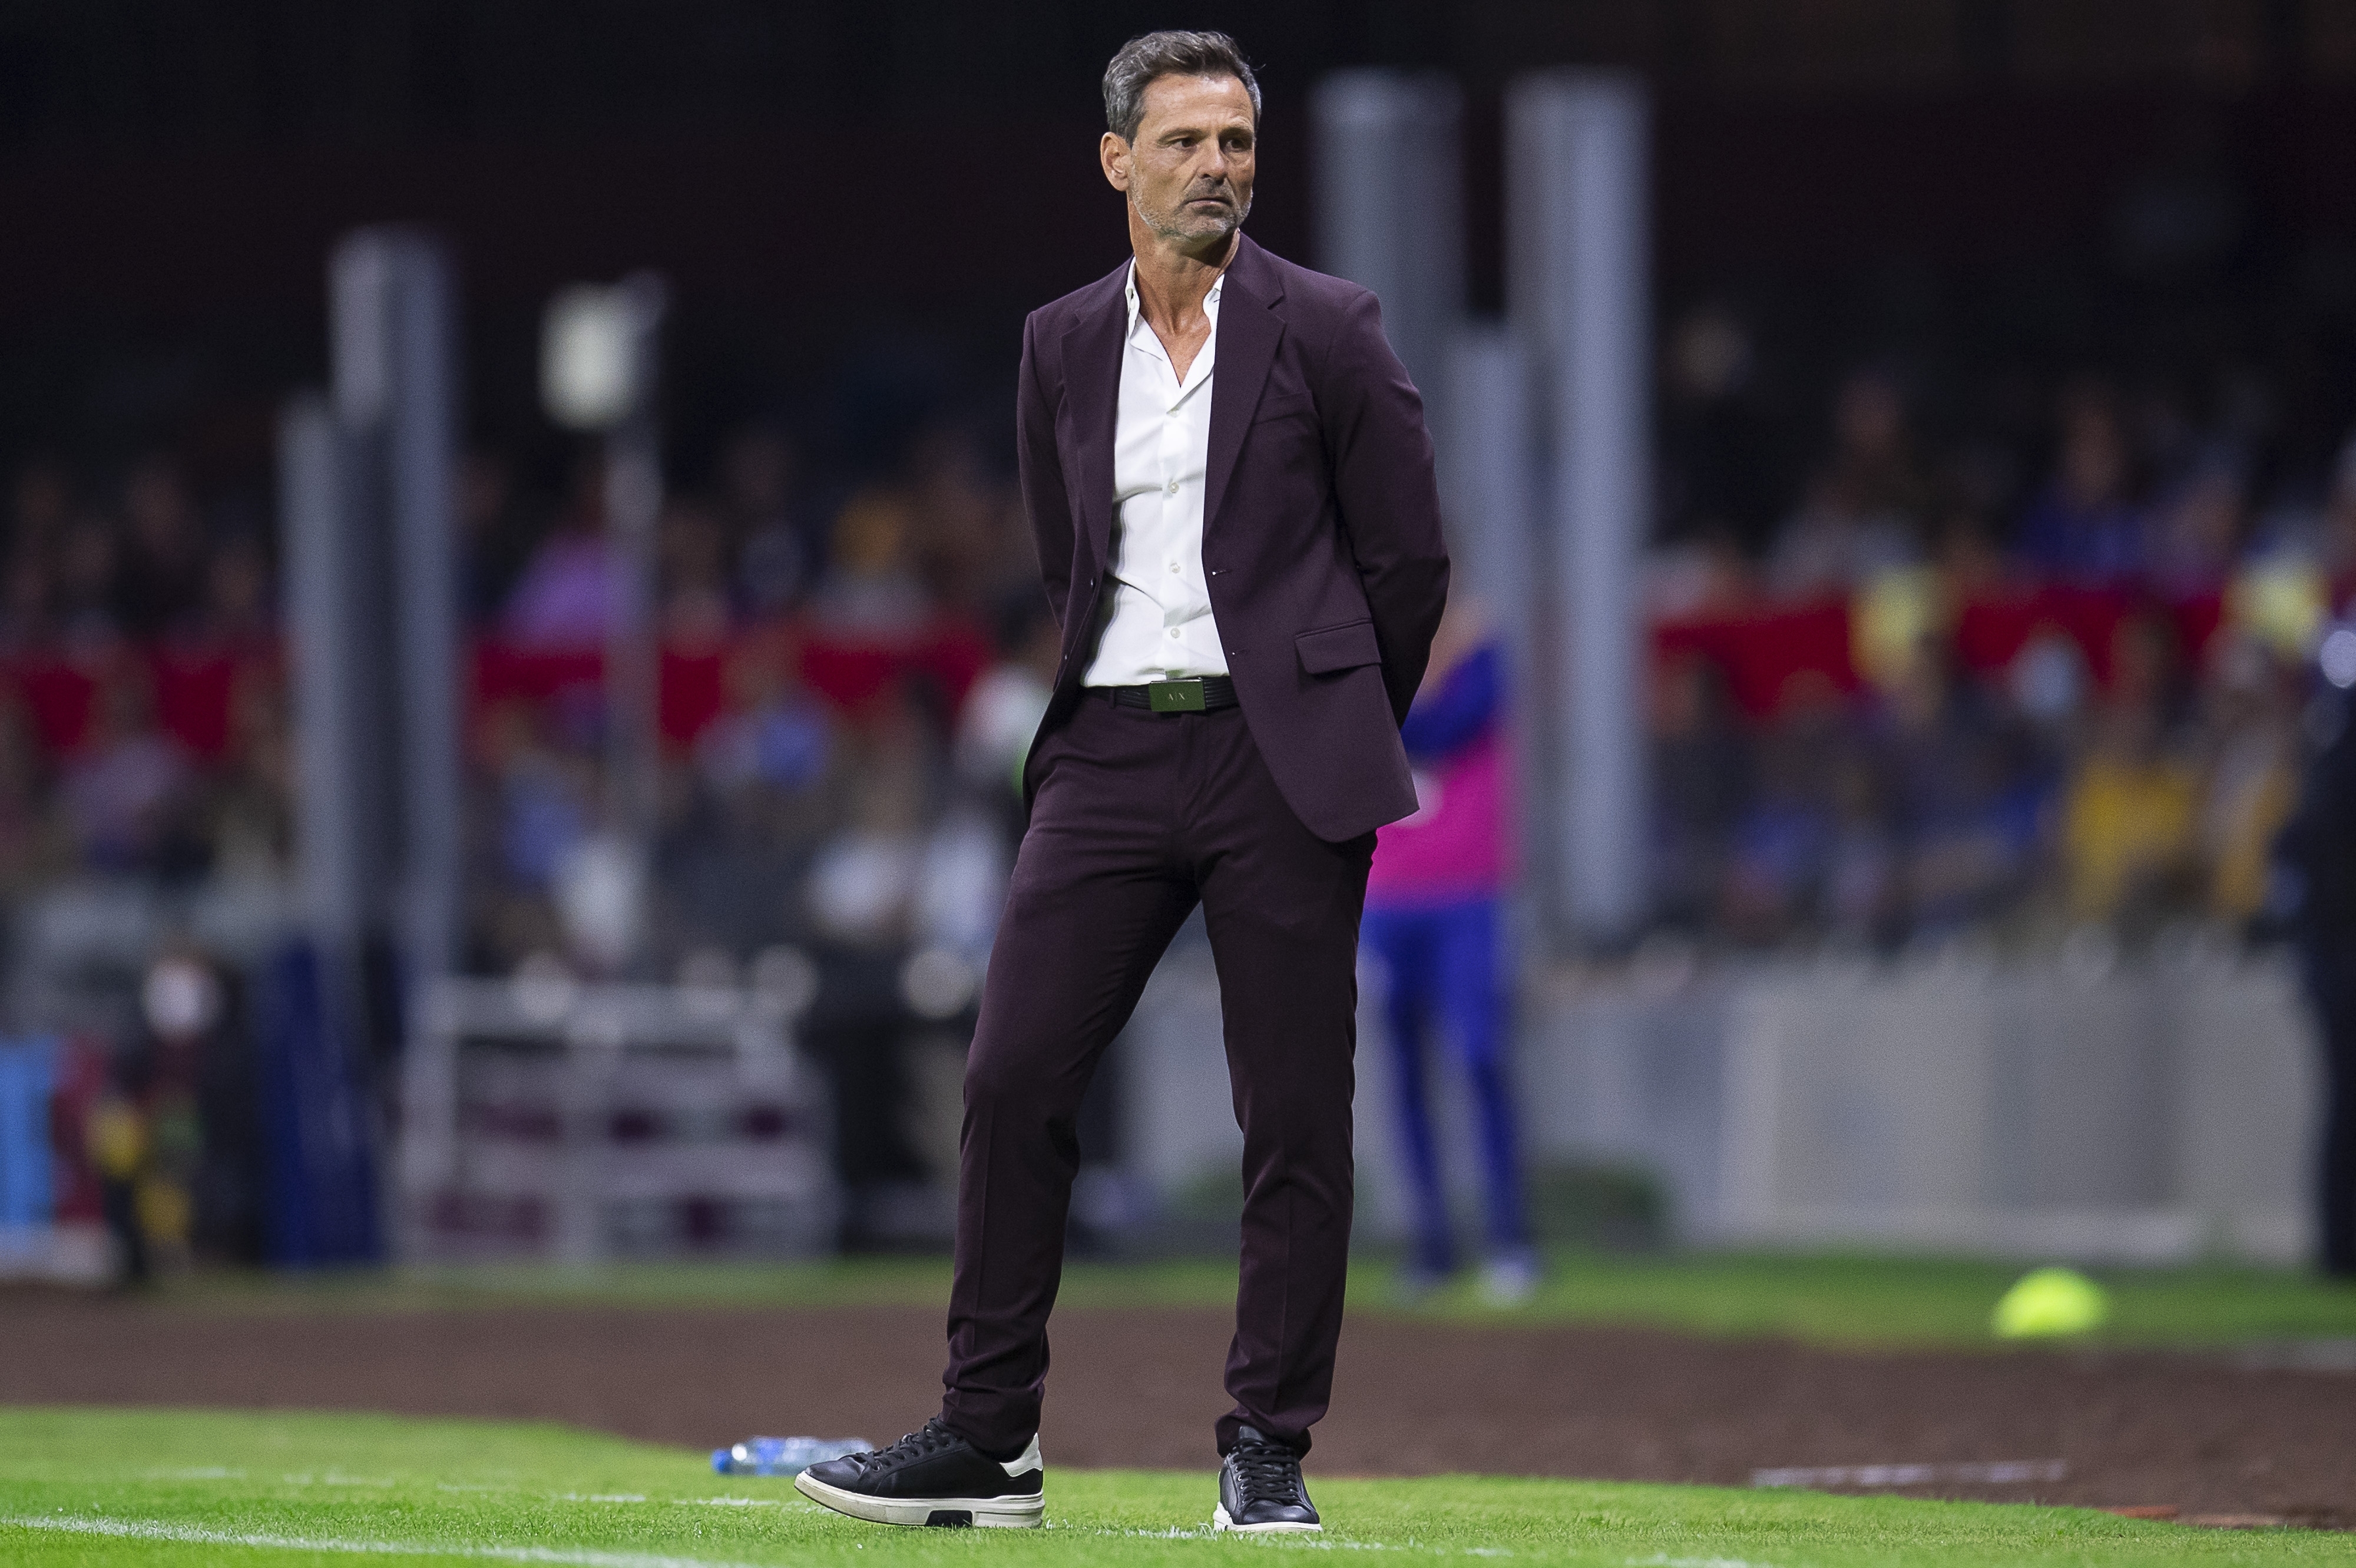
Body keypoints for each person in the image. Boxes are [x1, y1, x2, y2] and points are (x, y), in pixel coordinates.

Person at [794, 28, 1448, 1536]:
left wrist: (1330, 717)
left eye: (1236, 142)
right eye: (1184, 142)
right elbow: (1063, 553)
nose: (1216, 165)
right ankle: (987, 1437)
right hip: (1104, 750)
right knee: (1010, 1073)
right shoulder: (1059, 342)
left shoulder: (1331, 326)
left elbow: (1409, 558)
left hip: (1278, 759)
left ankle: (1266, 1442)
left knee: (1291, 1112)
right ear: (1116, 162)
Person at [1358, 593, 1534, 1301]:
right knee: (1403, 1069)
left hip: (1466, 890)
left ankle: (1510, 1236)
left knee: (1481, 1054)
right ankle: (1431, 1242)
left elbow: (1434, 730)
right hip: (1386, 891)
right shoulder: (1369, 655)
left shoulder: (1482, 659)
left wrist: (1403, 685)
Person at [2274, 626, 2356, 1277]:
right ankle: (2340, 1248)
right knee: (2346, 1102)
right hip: (2337, 955)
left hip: (2328, 955)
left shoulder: (2328, 758)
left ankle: (2338, 1247)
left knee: (2343, 1103)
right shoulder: (2337, 762)